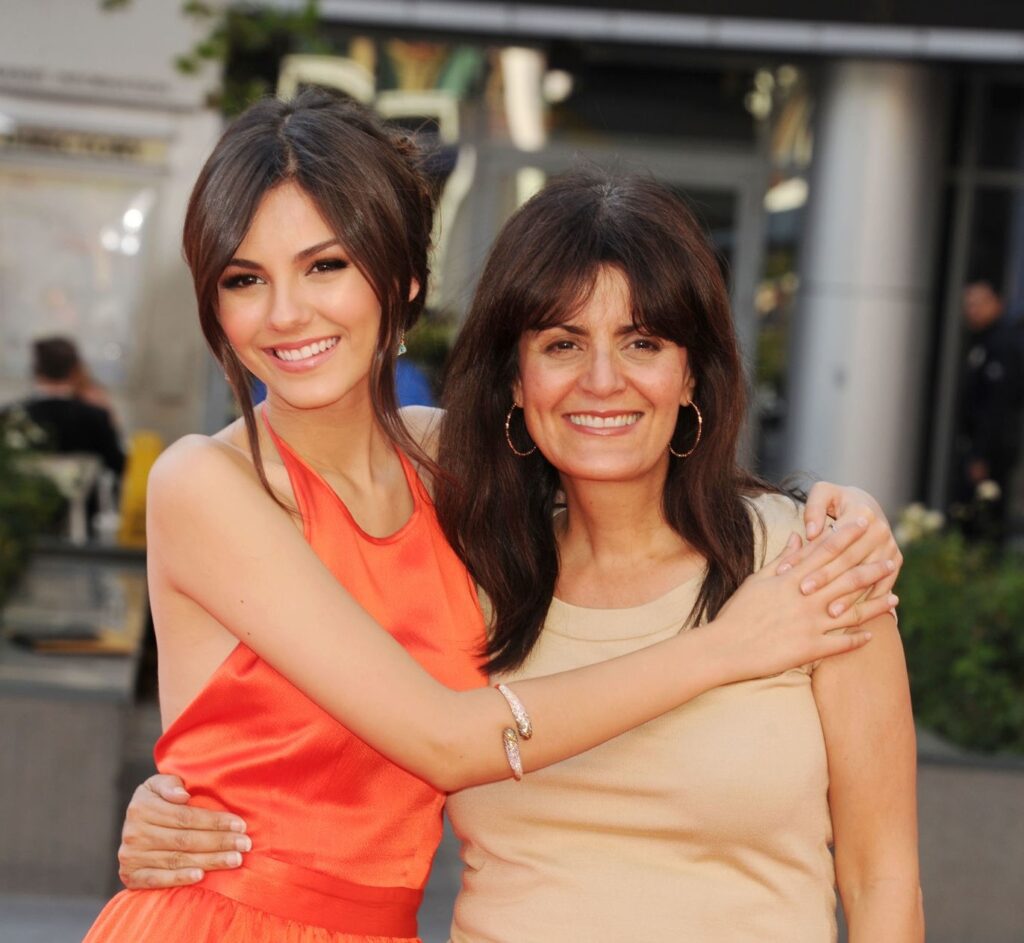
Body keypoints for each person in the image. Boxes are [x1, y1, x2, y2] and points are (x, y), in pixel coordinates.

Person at [107, 125, 911, 943]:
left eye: (325, 266)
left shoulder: (449, 479)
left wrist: (838, 509)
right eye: (245, 278)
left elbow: (606, 445)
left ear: (401, 278)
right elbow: (440, 739)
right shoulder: (205, 484)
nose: (287, 312)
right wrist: (729, 646)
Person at [954, 278, 1024, 537]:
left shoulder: (1003, 344)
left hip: (992, 451)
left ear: (997, 303)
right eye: (968, 304)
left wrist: (980, 454)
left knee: (985, 519)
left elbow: (997, 407)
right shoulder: (980, 341)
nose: (972, 310)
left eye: (979, 303)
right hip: (976, 446)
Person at [12, 336, 124, 478]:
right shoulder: (96, 418)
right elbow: (119, 465)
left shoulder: (12, 417)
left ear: (35, 371)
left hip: (23, 492)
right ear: (75, 371)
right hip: (82, 492)